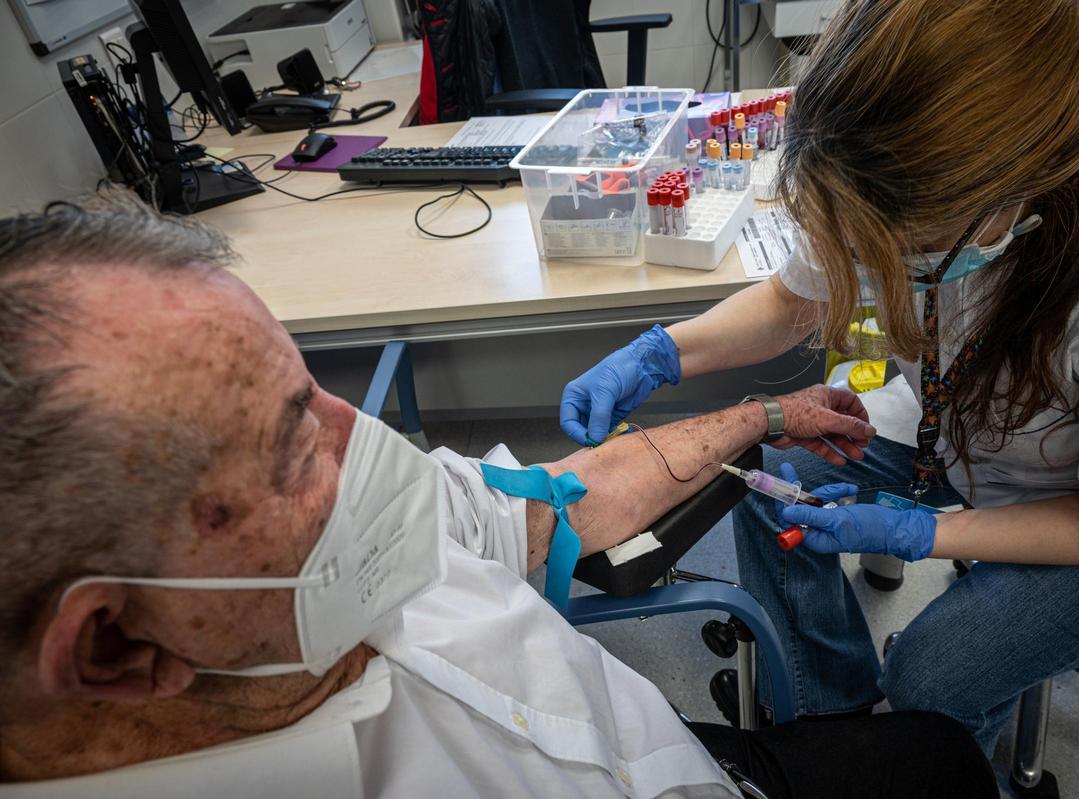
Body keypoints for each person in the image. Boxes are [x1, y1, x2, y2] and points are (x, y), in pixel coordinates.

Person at [0, 194, 998, 798]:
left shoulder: (310, 568)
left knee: (938, 757)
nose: (365, 440)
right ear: (112, 648)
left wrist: (764, 419)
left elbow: (551, 499)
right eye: (289, 447)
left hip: (682, 759)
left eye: (314, 393)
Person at [560, 0, 1079, 757]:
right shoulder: (881, 149)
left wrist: (924, 533)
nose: (881, 267)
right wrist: (659, 351)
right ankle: (839, 722)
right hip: (976, 427)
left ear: (1013, 189)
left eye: (912, 247)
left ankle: (922, 751)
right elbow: (792, 300)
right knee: (771, 476)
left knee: (934, 675)